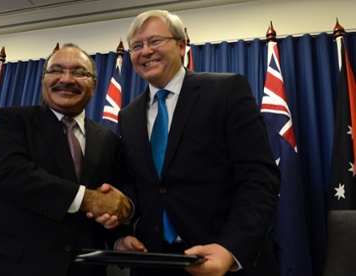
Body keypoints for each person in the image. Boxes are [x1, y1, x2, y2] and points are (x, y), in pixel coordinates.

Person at [100, 10, 281, 276]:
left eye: (155, 41)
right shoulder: (127, 116)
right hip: (154, 262)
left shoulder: (227, 90)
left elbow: (260, 179)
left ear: (182, 44)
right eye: (136, 46)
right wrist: (122, 225)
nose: (145, 51)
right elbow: (139, 185)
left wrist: (230, 249)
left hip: (222, 262)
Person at [0, 43, 132, 276]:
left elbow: (111, 198)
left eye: (79, 72)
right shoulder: (14, 120)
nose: (66, 79)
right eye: (56, 70)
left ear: (94, 85)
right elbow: (8, 174)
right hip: (16, 268)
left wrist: (119, 237)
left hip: (84, 270)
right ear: (43, 80)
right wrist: (87, 199)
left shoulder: (110, 140)